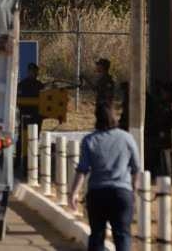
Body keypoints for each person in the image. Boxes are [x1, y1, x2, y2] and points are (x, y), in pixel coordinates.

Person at [67, 102, 141, 251]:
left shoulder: (90, 140)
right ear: (115, 117)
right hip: (122, 193)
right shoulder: (127, 138)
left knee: (97, 235)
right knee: (123, 235)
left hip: (97, 194)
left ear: (97, 118)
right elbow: (136, 168)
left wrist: (73, 193)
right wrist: (133, 191)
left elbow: (83, 170)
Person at [17, 62, 45, 129]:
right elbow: (18, 99)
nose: (32, 73)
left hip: (36, 115)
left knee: (34, 135)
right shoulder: (22, 85)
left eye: (34, 72)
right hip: (25, 113)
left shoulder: (40, 85)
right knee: (23, 133)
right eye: (31, 71)